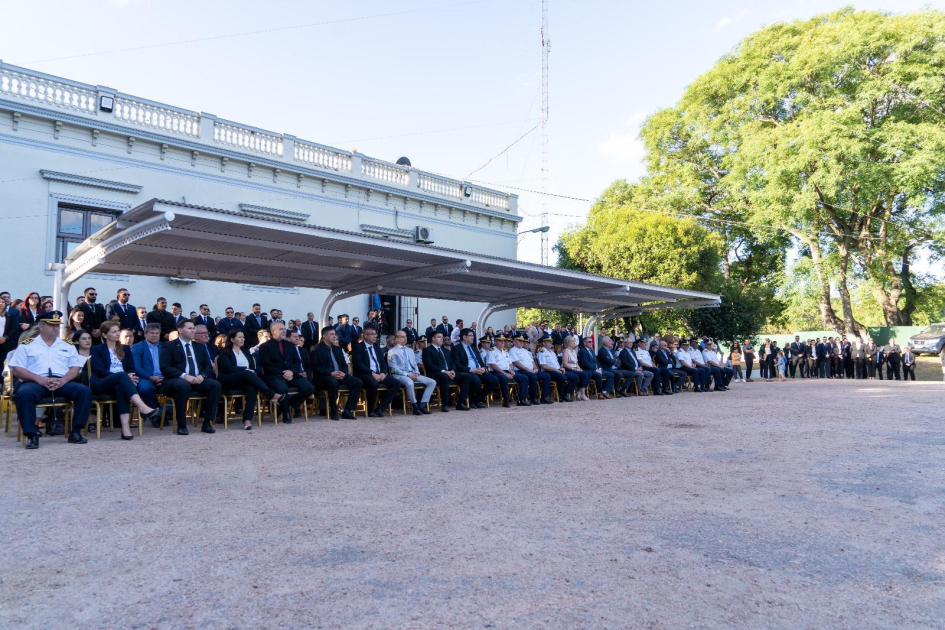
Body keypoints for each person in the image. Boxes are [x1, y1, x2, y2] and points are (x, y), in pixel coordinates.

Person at [8, 311, 92, 449]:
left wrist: (63, 380)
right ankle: (32, 434)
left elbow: (75, 368)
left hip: (61, 381)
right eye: (51, 325)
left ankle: (76, 432)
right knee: (24, 393)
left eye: (57, 325)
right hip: (35, 381)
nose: (55, 328)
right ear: (41, 326)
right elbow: (17, 369)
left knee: (84, 391)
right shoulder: (27, 345)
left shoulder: (67, 345)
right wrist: (39, 379)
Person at [90, 321, 160, 440]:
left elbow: (131, 368)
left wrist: (127, 376)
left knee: (120, 388)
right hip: (102, 382)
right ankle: (142, 407)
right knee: (122, 376)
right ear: (105, 335)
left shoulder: (125, 349)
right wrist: (123, 377)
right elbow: (99, 370)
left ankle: (125, 428)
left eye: (118, 331)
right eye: (114, 332)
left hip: (121, 383)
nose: (117, 333)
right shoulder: (97, 349)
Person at [159, 318, 223, 435]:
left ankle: (207, 423)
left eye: (193, 328)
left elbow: (208, 366)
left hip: (197, 379)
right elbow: (165, 367)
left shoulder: (199, 346)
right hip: (176, 380)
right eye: (189, 328)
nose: (192, 331)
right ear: (180, 330)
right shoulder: (169, 346)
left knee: (215, 385)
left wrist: (202, 376)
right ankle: (182, 425)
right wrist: (184, 376)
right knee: (183, 385)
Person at [217, 329, 283, 430]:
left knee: (252, 387)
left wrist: (247, 371)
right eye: (239, 337)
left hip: (245, 380)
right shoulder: (225, 352)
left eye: (243, 337)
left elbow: (252, 367)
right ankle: (270, 393)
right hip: (228, 380)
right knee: (247, 373)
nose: (242, 339)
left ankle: (247, 419)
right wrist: (245, 369)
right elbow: (228, 368)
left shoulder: (245, 352)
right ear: (232, 339)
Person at [257, 321, 314, 423]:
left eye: (284, 329)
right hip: (275, 375)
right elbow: (266, 364)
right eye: (281, 329)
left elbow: (297, 362)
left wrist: (291, 371)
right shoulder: (265, 346)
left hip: (292, 375)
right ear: (273, 331)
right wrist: (283, 372)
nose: (284, 331)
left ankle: (287, 406)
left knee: (309, 388)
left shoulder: (290, 345)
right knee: (283, 389)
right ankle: (286, 413)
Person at [311, 326, 362, 420]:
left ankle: (347, 410)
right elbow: (316, 367)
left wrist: (343, 373)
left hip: (339, 375)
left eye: (335, 334)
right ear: (324, 336)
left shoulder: (337, 349)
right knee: (333, 382)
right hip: (324, 377)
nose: (334, 336)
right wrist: (331, 373)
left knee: (358, 382)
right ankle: (333, 411)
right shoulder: (316, 349)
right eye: (331, 334)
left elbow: (344, 364)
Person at [352, 324, 402, 417]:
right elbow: (358, 364)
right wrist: (372, 373)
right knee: (373, 383)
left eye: (375, 334)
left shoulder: (376, 347)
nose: (375, 336)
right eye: (372, 334)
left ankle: (380, 408)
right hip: (365, 374)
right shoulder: (358, 347)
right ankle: (370, 409)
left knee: (396, 383)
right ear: (365, 335)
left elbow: (383, 362)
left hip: (379, 374)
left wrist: (383, 372)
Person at [387, 330, 435, 415]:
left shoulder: (410, 350)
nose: (405, 338)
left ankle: (422, 405)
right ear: (397, 339)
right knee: (409, 383)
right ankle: (414, 406)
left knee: (432, 382)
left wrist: (416, 373)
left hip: (413, 374)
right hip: (401, 375)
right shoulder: (392, 351)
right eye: (402, 337)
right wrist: (408, 374)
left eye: (405, 336)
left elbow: (414, 364)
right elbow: (394, 368)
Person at [422, 330, 469, 412]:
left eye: (442, 337)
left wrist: (453, 370)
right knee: (444, 376)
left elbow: (452, 363)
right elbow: (430, 366)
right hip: (436, 374)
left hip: (449, 373)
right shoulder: (427, 350)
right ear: (433, 338)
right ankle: (445, 404)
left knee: (466, 376)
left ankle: (460, 402)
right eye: (439, 337)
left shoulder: (446, 351)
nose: (441, 339)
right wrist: (444, 371)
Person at [451, 327, 498, 408]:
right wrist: (472, 370)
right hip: (468, 371)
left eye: (473, 335)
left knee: (494, 380)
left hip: (479, 371)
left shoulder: (473, 348)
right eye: (470, 335)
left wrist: (483, 368)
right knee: (477, 381)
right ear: (464, 337)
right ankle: (471, 401)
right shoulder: (456, 348)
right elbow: (457, 364)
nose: (473, 337)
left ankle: (478, 399)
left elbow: (481, 361)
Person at [130, 323, 165, 425]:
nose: (154, 335)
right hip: (145, 377)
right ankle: (157, 414)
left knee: (178, 387)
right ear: (145, 334)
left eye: (157, 333)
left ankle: (160, 414)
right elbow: (137, 367)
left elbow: (170, 365)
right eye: (152, 333)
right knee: (145, 388)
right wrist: (151, 377)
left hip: (164, 377)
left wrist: (163, 377)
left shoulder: (165, 346)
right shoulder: (137, 347)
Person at [509, 333, 553, 404]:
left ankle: (544, 396)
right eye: (519, 340)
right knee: (533, 377)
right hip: (521, 370)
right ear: (514, 341)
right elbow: (517, 363)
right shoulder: (512, 351)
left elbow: (532, 362)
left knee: (546, 376)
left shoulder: (526, 351)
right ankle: (532, 397)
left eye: (522, 341)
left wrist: (535, 368)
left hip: (530, 370)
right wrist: (529, 370)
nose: (521, 342)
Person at [485, 334, 527, 407]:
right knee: (504, 378)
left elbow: (510, 363)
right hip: (497, 372)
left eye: (503, 341)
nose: (502, 342)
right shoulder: (491, 351)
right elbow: (494, 366)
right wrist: (505, 374)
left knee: (524, 378)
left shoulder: (505, 351)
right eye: (500, 341)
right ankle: (506, 400)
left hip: (508, 371)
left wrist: (511, 370)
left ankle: (522, 399)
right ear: (495, 341)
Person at [537, 334, 577, 402]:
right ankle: (559, 396)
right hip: (548, 371)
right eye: (548, 341)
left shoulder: (552, 352)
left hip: (556, 370)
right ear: (543, 343)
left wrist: (561, 368)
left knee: (574, 377)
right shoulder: (542, 352)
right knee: (562, 377)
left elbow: (556, 364)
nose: (551, 343)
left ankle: (565, 394)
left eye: (551, 341)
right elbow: (544, 366)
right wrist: (556, 370)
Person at [561, 335, 591, 401]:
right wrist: (574, 369)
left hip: (575, 369)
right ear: (568, 342)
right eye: (572, 341)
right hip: (568, 369)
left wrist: (579, 368)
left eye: (574, 341)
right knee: (584, 375)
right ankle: (582, 394)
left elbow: (576, 363)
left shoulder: (574, 351)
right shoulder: (566, 351)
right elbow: (565, 364)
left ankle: (580, 392)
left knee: (588, 373)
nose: (574, 343)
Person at [0, 295, 16, 371]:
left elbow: (13, 328)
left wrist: (5, 337)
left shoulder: (9, 315)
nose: (1, 303)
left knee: (2, 363)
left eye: (2, 302)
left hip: (4, 343)